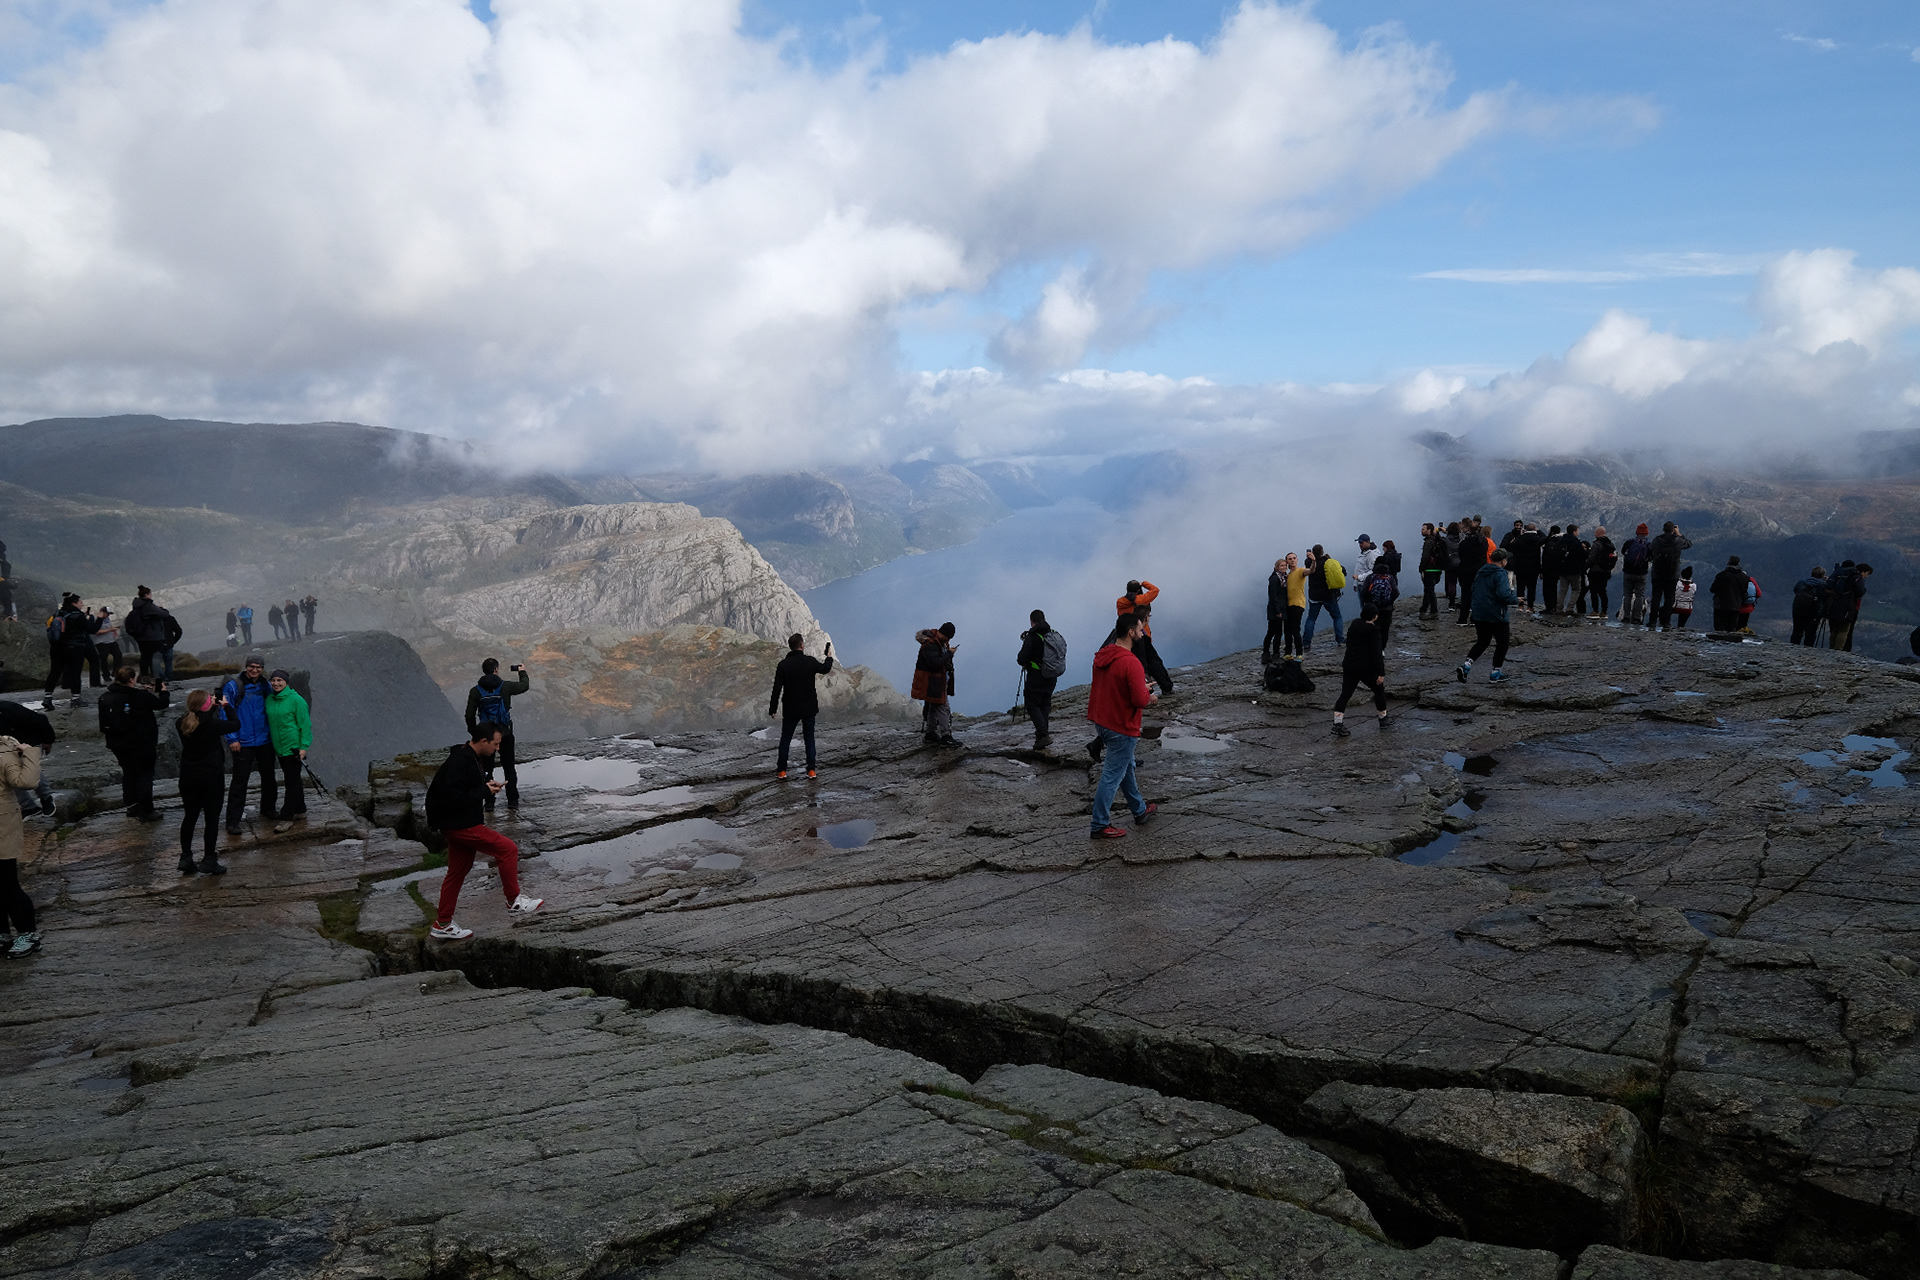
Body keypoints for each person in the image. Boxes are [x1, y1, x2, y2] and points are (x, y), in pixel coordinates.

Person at [423, 722, 543, 940]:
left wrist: (487, 786)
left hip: (454, 823)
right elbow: (453, 798)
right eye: (495, 744)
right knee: (507, 849)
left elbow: (466, 789)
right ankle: (514, 901)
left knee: (458, 871)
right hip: (460, 824)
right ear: (484, 741)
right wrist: (484, 791)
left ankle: (443, 924)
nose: (498, 748)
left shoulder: (469, 757)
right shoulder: (460, 761)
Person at [1087, 612, 1158, 840]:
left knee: (1126, 768)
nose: (1142, 633)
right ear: (1130, 632)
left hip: (1103, 722)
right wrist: (1148, 694)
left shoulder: (1103, 656)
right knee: (1111, 776)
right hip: (1122, 726)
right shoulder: (1131, 662)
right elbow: (1138, 700)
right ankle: (1099, 824)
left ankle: (1139, 810)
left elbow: (1110, 687)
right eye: (1139, 630)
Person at [175, 689, 238, 875]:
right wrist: (226, 705)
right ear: (205, 705)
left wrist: (211, 708)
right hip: (211, 779)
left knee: (190, 816)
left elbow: (201, 720)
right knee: (211, 819)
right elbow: (235, 724)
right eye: (209, 699)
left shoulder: (182, 722)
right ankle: (209, 859)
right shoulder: (212, 725)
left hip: (188, 778)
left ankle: (186, 857)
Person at [97, 665, 169, 820]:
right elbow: (161, 704)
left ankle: (132, 807)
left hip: (117, 744)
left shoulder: (105, 697)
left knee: (129, 773)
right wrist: (163, 691)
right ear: (131, 680)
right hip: (142, 743)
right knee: (144, 775)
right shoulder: (140, 696)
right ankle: (146, 811)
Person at [465, 658, 532, 810]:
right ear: (496, 669)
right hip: (505, 734)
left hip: (486, 737)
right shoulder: (505, 687)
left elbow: (469, 715)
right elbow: (524, 686)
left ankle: (489, 802)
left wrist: (475, 733)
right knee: (509, 767)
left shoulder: (476, 691)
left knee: (487, 769)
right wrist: (522, 672)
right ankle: (512, 801)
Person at [222, 656, 277, 835]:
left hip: (265, 740)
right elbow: (225, 712)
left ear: (262, 668)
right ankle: (233, 821)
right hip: (242, 742)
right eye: (251, 666)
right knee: (240, 781)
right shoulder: (233, 686)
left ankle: (268, 809)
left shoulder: (266, 686)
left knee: (269, 777)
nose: (254, 670)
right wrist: (232, 738)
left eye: (258, 667)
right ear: (246, 667)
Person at [1, 732, 43, 957]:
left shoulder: (4, 750)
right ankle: (3, 934)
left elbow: (26, 782)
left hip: (2, 828)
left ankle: (28, 935)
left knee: (7, 884)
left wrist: (30, 753)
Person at [769, 634, 834, 777]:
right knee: (809, 738)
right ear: (802, 645)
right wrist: (829, 657)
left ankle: (782, 771)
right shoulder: (809, 661)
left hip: (791, 708)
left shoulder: (783, 665)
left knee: (785, 739)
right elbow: (825, 669)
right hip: (808, 707)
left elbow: (776, 688)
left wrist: (773, 708)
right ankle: (811, 770)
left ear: (790, 647)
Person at [1458, 548, 1520, 684]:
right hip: (1496, 614)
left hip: (1479, 613)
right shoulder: (1500, 573)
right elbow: (1503, 594)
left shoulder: (1481, 571)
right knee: (1502, 643)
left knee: (1483, 641)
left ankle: (1466, 666)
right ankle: (1495, 673)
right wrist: (1516, 600)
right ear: (1503, 561)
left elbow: (1473, 589)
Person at [264, 668, 311, 832]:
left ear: (286, 682)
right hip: (279, 747)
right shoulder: (270, 699)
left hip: (293, 748)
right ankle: (300, 809)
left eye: (280, 680)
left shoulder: (296, 700)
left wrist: (303, 747)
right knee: (294, 779)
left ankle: (286, 817)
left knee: (291, 782)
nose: (276, 683)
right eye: (273, 680)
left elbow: (305, 725)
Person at [1332, 603, 1388, 736]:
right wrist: (1381, 673)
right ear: (1375, 616)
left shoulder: (1354, 625)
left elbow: (1349, 643)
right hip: (1366, 668)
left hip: (1350, 666)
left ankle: (1338, 723)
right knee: (1379, 690)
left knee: (1345, 694)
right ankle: (1383, 719)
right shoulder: (1374, 631)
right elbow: (1377, 654)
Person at [1015, 611, 1066, 751]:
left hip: (1036, 676)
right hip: (1051, 676)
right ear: (1044, 619)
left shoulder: (1032, 637)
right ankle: (1041, 737)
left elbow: (1021, 659)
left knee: (1032, 704)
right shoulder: (1053, 634)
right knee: (1044, 704)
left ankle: (1043, 734)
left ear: (1031, 621)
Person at [0, 699, 56, 818]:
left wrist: (48, 740)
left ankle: (46, 797)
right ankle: (29, 807)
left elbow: (41, 720)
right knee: (8, 774)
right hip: (6, 747)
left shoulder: (9, 708)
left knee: (30, 769)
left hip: (29, 742)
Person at [1118, 581, 1174, 695]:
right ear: (1138, 590)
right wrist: (1143, 583)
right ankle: (1166, 687)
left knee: (1137, 663)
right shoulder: (1141, 600)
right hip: (1143, 635)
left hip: (1128, 637)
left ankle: (1145, 690)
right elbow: (1155, 590)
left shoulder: (1120, 602)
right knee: (1153, 661)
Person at [913, 622, 960, 747]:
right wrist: (949, 653)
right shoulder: (930, 645)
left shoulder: (939, 642)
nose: (948, 640)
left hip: (936, 681)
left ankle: (930, 733)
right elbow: (935, 663)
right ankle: (946, 736)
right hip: (933, 682)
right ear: (943, 633)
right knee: (943, 707)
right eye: (947, 637)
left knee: (933, 707)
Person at [1647, 522, 1693, 630]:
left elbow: (1649, 548)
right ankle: (1666, 622)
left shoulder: (1657, 540)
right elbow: (1689, 544)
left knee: (1656, 597)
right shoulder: (1678, 541)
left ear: (1663, 529)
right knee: (1669, 598)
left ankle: (1652, 621)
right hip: (1672, 574)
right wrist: (1679, 534)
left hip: (1657, 573)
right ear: (1673, 530)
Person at [127, 586, 179, 682]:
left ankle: (144, 676)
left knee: (144, 657)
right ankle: (156, 678)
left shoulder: (136, 607)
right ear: (147, 595)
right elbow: (164, 614)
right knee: (154, 658)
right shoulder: (148, 606)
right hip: (152, 638)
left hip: (140, 638)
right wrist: (163, 610)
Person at [1303, 545, 1347, 650]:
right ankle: (1340, 639)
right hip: (1329, 595)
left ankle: (1306, 643)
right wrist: (1328, 558)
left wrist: (1310, 557)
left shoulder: (1309, 563)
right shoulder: (1327, 562)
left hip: (1314, 596)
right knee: (1337, 617)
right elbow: (1343, 571)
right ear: (1322, 552)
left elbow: (1308, 562)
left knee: (1311, 619)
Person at [1828, 562, 1872, 652]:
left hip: (1834, 604)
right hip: (1847, 607)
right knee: (1844, 630)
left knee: (1835, 629)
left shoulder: (1841, 575)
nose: (1866, 576)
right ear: (1863, 572)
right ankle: (1838, 650)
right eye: (1867, 573)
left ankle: (1831, 648)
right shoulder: (1856, 577)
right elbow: (1860, 592)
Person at [1455, 521, 1491, 625]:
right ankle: (1475, 618)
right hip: (1479, 571)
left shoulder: (1464, 543)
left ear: (1469, 529)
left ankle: (1462, 619)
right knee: (1478, 595)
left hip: (1466, 571)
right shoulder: (1484, 542)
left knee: (1465, 595)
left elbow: (1461, 555)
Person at [1618, 525, 1653, 625]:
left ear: (1637, 532)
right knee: (1639, 595)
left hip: (1628, 572)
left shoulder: (1629, 543)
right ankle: (1637, 618)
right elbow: (1651, 558)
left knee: (1627, 595)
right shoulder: (1649, 545)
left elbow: (1623, 552)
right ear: (1646, 533)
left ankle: (1626, 616)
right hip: (1641, 573)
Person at [1362, 558, 1398, 645]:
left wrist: (1370, 602)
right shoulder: (1390, 577)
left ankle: (1373, 647)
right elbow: (1396, 592)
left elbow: (1364, 592)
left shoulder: (1370, 577)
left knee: (1373, 629)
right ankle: (1382, 648)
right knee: (1385, 630)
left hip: (1373, 609)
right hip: (1387, 609)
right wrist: (1389, 601)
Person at [1791, 566, 1829, 646]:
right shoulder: (1823, 584)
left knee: (1797, 630)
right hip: (1814, 610)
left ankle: (1793, 646)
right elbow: (1825, 597)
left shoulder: (1802, 581)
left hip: (1798, 608)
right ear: (1823, 575)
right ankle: (1808, 648)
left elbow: (1795, 590)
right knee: (1811, 631)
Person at [1554, 525, 1586, 616]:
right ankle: (1570, 608)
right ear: (1574, 532)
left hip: (1562, 570)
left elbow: (1556, 554)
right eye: (1577, 531)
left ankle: (1559, 608)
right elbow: (1583, 555)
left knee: (1562, 590)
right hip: (1574, 570)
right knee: (1576, 589)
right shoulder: (1576, 542)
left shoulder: (1561, 541)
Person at [1585, 526, 1617, 620]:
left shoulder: (1596, 544)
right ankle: (1604, 612)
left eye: (1595, 532)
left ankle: (1595, 611)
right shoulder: (1610, 544)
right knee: (1603, 591)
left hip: (1595, 571)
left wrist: (1584, 567)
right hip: (1606, 572)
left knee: (1594, 591)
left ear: (1598, 533)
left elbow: (1592, 558)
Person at [1710, 557, 1749, 632]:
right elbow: (1744, 591)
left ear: (1728, 563)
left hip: (1720, 606)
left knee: (1719, 629)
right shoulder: (1744, 577)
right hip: (1736, 606)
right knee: (1731, 629)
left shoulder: (1721, 576)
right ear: (1738, 563)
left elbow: (1713, 589)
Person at [1513, 522, 1544, 611]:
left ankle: (1520, 605)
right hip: (1533, 567)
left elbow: (1512, 545)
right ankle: (1530, 606)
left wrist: (1520, 535)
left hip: (1520, 566)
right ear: (1534, 529)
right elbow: (1545, 538)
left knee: (1520, 586)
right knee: (1532, 587)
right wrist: (1538, 531)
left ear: (1525, 529)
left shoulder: (1520, 538)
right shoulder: (1537, 539)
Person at [1282, 552, 1308, 657]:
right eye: (1290, 559)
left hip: (1298, 604)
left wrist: (1314, 561)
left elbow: (1310, 571)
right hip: (1288, 605)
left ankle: (1299, 654)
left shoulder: (1301, 571)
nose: (1292, 560)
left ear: (1297, 560)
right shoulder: (1287, 576)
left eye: (1294, 558)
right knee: (1287, 630)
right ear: (1287, 562)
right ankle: (1288, 653)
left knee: (1295, 629)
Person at [1418, 524, 1446, 618]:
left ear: (1429, 530)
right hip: (1438, 568)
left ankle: (1434, 611)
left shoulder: (1428, 542)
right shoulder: (1437, 540)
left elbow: (1425, 556)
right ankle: (1424, 608)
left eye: (1423, 529)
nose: (1421, 531)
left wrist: (1421, 568)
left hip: (1429, 568)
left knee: (1429, 590)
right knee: (1428, 589)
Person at [1263, 560, 1288, 663]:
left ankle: (1275, 653)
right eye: (1281, 565)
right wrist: (1278, 610)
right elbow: (1273, 595)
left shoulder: (1284, 578)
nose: (1284, 567)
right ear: (1277, 567)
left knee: (1278, 633)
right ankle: (1266, 653)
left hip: (1281, 608)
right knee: (1272, 632)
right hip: (1275, 610)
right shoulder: (1274, 578)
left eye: (1285, 565)